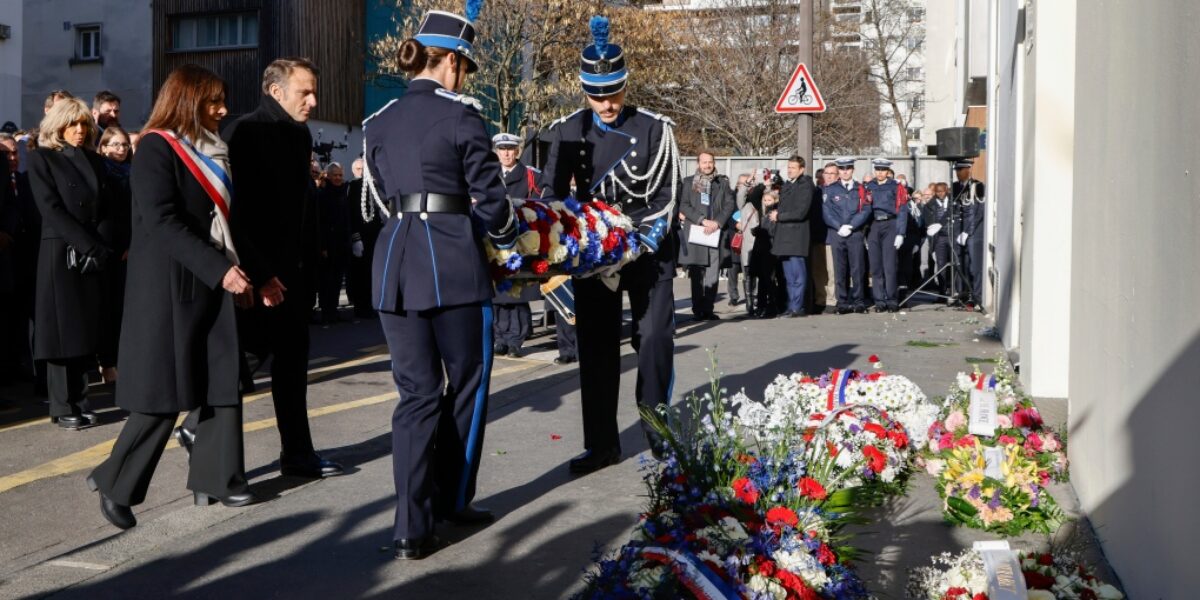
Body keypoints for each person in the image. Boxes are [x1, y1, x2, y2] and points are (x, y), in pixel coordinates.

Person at [364, 6, 519, 560]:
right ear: (451, 62)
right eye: (465, 68)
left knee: (415, 397)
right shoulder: (462, 116)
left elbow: (381, 192)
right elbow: (492, 200)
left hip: (394, 265)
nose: (464, 78)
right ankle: (452, 497)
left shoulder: (378, 120)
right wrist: (513, 238)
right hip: (452, 263)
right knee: (468, 383)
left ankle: (411, 526)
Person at [87, 64, 257, 530]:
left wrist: (252, 274)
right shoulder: (156, 147)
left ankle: (219, 477)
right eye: (213, 101)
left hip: (211, 278)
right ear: (187, 101)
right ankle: (115, 482)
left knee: (221, 380)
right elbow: (162, 221)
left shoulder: (213, 149)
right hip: (169, 286)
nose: (222, 110)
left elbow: (228, 220)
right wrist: (220, 271)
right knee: (163, 395)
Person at [540, 16, 682, 473]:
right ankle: (601, 443)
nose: (606, 103)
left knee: (654, 339)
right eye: (596, 94)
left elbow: (666, 196)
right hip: (594, 254)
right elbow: (551, 196)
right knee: (597, 347)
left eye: (614, 92)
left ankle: (658, 433)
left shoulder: (655, 128)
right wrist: (569, 243)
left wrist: (634, 242)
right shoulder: (567, 129)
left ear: (625, 83)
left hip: (645, 250)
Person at [212, 57, 345, 479]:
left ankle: (297, 454)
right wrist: (259, 272)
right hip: (257, 274)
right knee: (244, 357)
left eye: (313, 92)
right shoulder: (244, 132)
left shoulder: (298, 133)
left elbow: (299, 207)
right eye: (304, 92)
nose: (313, 101)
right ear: (275, 91)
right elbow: (236, 214)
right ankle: (201, 428)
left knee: (291, 365)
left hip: (294, 271)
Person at [26, 98, 113, 430]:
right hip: (60, 251)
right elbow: (51, 208)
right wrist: (87, 245)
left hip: (92, 252)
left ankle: (80, 399)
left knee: (83, 329)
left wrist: (101, 247)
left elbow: (105, 206)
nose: (80, 130)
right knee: (62, 331)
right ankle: (63, 405)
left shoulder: (94, 159)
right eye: (73, 124)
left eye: (84, 124)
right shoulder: (42, 158)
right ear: (58, 126)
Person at [491, 132, 541, 357]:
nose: (506, 154)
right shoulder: (490, 175)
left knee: (517, 292)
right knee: (498, 290)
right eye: (502, 150)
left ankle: (515, 340)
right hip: (494, 239)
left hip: (521, 239)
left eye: (510, 149)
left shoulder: (530, 176)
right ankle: (500, 338)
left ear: (517, 151)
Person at [96, 127, 134, 383]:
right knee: (105, 308)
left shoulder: (133, 171)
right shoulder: (100, 172)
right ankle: (106, 362)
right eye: (115, 145)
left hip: (126, 248)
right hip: (104, 245)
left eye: (124, 145)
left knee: (121, 307)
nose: (121, 149)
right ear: (104, 147)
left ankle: (118, 360)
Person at [679, 151, 732, 321]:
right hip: (697, 231)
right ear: (698, 164)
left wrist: (717, 222)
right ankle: (697, 309)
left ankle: (708, 309)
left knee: (712, 272)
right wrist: (702, 220)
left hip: (715, 232)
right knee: (696, 273)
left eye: (710, 162)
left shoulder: (722, 183)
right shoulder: (689, 182)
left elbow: (729, 204)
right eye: (704, 162)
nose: (708, 165)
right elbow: (684, 206)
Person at [768, 155, 814, 318]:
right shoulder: (788, 185)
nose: (789, 170)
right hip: (784, 236)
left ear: (801, 169)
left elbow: (801, 212)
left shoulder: (805, 185)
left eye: (793, 168)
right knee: (788, 276)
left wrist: (779, 216)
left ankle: (797, 306)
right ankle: (791, 305)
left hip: (796, 235)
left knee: (797, 274)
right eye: (788, 167)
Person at [823, 157, 870, 314]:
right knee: (839, 269)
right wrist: (838, 226)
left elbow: (866, 210)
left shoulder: (861, 189)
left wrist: (852, 225)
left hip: (855, 233)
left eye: (848, 168)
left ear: (852, 170)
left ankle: (858, 301)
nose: (845, 172)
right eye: (842, 169)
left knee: (858, 268)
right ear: (839, 171)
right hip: (837, 233)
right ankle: (842, 302)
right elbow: (826, 211)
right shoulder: (830, 189)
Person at [864, 158, 909, 312]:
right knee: (875, 266)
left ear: (888, 171)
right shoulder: (868, 186)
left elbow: (902, 209)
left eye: (883, 170)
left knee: (889, 266)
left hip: (890, 224)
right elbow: (864, 210)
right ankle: (879, 301)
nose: (880, 173)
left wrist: (901, 233)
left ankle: (891, 300)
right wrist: (864, 233)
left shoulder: (896, 187)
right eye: (877, 170)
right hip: (874, 225)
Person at [346, 157, 381, 319]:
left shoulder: (374, 186)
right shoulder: (352, 187)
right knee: (360, 274)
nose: (362, 172)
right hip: (360, 236)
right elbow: (350, 214)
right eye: (359, 169)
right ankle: (361, 307)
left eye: (364, 169)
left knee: (372, 272)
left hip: (375, 236)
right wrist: (355, 238)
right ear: (354, 171)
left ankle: (372, 304)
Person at [317, 161, 350, 324]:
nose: (338, 178)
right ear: (328, 176)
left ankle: (334, 309)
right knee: (327, 280)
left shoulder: (344, 192)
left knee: (337, 279)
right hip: (328, 244)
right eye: (335, 175)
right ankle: (327, 312)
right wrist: (322, 246)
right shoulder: (323, 193)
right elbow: (320, 222)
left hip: (341, 243)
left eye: (340, 175)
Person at [953, 159, 986, 309]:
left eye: (961, 170)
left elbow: (979, 212)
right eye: (957, 170)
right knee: (962, 266)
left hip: (973, 232)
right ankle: (965, 296)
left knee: (975, 267)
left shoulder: (977, 186)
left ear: (968, 170)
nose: (958, 173)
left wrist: (967, 232)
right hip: (959, 231)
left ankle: (977, 297)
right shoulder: (956, 187)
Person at [920, 182, 956, 298]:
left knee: (955, 264)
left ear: (947, 191)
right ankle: (942, 292)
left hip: (953, 236)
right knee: (941, 265)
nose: (940, 194)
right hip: (939, 237)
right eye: (938, 191)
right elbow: (928, 221)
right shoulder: (930, 205)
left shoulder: (953, 202)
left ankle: (955, 290)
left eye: (942, 191)